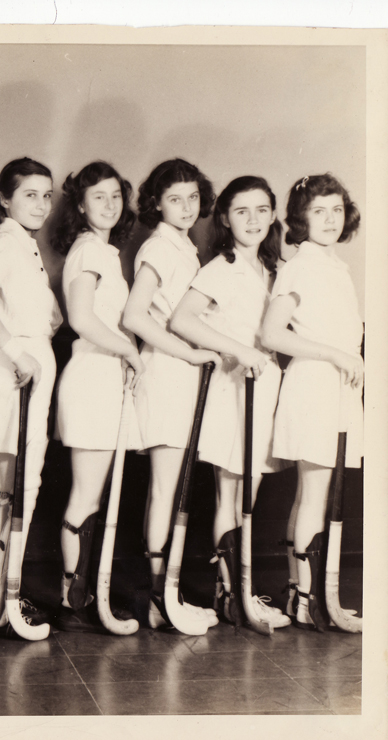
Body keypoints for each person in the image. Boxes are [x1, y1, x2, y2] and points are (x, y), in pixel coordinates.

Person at [170, 175, 290, 629]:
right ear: (224, 217)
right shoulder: (220, 266)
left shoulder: (272, 269)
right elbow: (182, 319)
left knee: (250, 490)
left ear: (273, 214)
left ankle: (237, 588)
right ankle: (232, 592)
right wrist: (239, 350)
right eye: (242, 211)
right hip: (234, 388)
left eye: (262, 209)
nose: (253, 219)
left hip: (266, 388)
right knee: (231, 491)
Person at [0, 157, 63, 630]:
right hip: (14, 374)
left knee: (20, 487)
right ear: (4, 198)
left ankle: (2, 595)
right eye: (30, 194)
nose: (41, 204)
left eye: (47, 195)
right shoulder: (4, 242)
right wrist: (16, 351)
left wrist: (49, 316)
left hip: (29, 366)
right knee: (12, 490)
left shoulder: (26, 247)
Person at [121, 158, 220, 630]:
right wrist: (190, 352)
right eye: (174, 199)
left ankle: (165, 593)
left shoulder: (183, 246)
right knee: (164, 489)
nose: (186, 207)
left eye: (193, 198)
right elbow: (135, 316)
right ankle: (158, 596)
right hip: (165, 372)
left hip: (180, 373)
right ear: (156, 203)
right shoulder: (159, 247)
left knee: (173, 488)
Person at [261, 173, 363, 630]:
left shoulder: (332, 265)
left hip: (336, 387)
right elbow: (270, 333)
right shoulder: (300, 265)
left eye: (337, 210)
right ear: (301, 218)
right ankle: (305, 599)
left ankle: (304, 596)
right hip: (314, 387)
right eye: (318, 211)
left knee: (315, 497)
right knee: (313, 495)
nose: (329, 219)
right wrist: (335, 354)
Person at [51, 162, 144, 631]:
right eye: (98, 197)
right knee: (86, 494)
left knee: (92, 493)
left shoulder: (106, 252)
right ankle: (75, 598)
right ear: (81, 206)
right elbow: (82, 319)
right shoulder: (89, 250)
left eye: (115, 196)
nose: (109, 205)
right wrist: (129, 348)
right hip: (90, 377)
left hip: (105, 378)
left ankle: (82, 591)